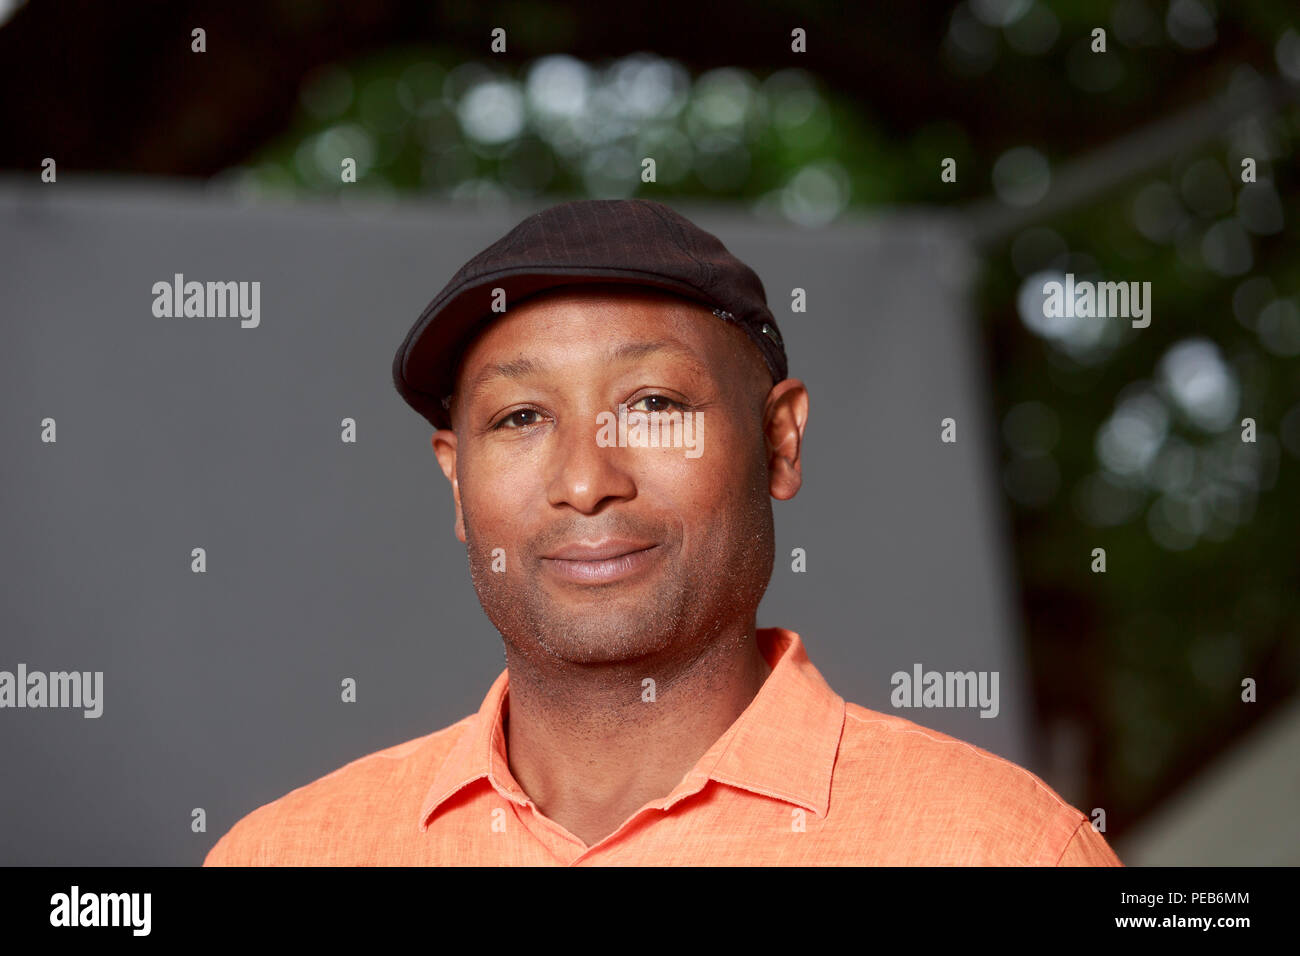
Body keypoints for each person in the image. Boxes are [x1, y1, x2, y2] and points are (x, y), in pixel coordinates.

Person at [204, 198, 1121, 865]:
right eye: (521, 417)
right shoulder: (281, 856)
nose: (585, 482)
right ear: (456, 480)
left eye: (653, 404)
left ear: (778, 441)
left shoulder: (1005, 851)